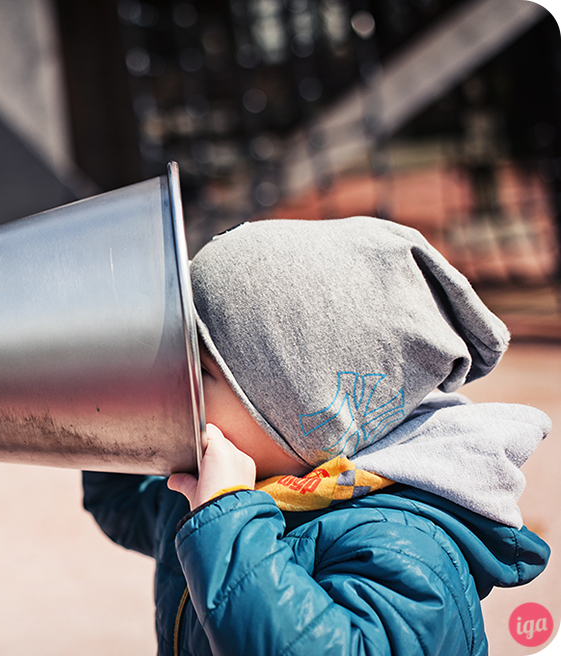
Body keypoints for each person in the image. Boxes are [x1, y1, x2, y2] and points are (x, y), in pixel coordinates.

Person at [82, 217, 550, 656]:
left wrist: (227, 522)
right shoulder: (229, 487)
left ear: (301, 417)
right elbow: (121, 503)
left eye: (200, 372)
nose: (177, 387)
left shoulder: (409, 548)